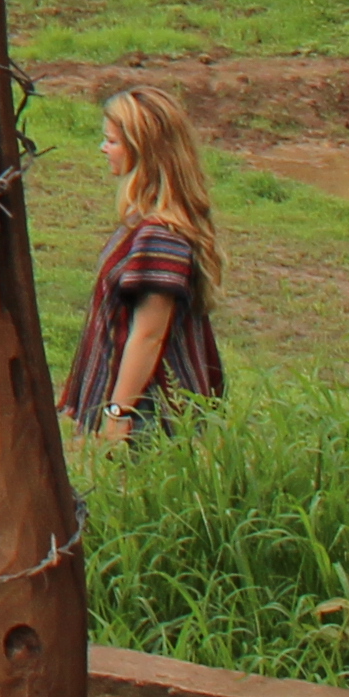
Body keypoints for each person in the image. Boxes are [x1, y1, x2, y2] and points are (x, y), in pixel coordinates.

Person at [65, 86, 229, 441]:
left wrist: (117, 413)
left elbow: (149, 334)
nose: (103, 149)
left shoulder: (159, 236)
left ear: (143, 151)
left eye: (112, 141)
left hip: (151, 416)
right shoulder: (148, 220)